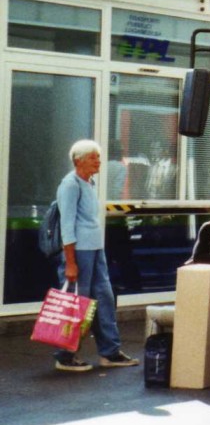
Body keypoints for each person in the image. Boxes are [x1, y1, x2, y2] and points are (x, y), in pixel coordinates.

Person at [53, 139, 139, 372]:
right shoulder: (70, 185)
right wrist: (70, 262)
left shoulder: (88, 183)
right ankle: (65, 355)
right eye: (94, 157)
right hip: (78, 251)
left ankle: (110, 352)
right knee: (76, 302)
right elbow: (67, 226)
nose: (99, 161)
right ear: (78, 161)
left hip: (95, 249)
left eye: (98, 157)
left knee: (104, 298)